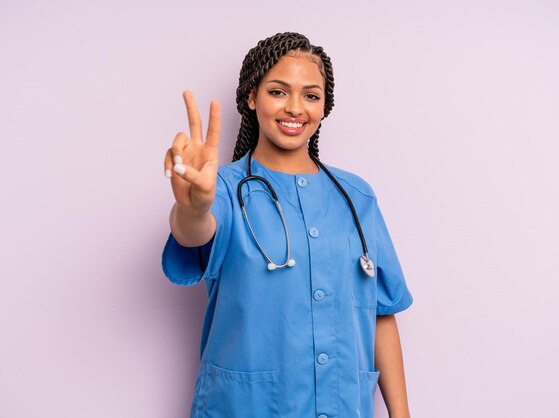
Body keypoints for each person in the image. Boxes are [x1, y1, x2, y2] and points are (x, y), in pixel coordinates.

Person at [162, 32, 413, 418]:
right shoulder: (225, 188)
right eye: (278, 92)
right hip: (245, 407)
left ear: (324, 106)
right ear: (252, 97)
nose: (295, 108)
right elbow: (194, 230)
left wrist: (402, 415)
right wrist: (192, 206)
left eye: (311, 95)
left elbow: (380, 312)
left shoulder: (356, 196)